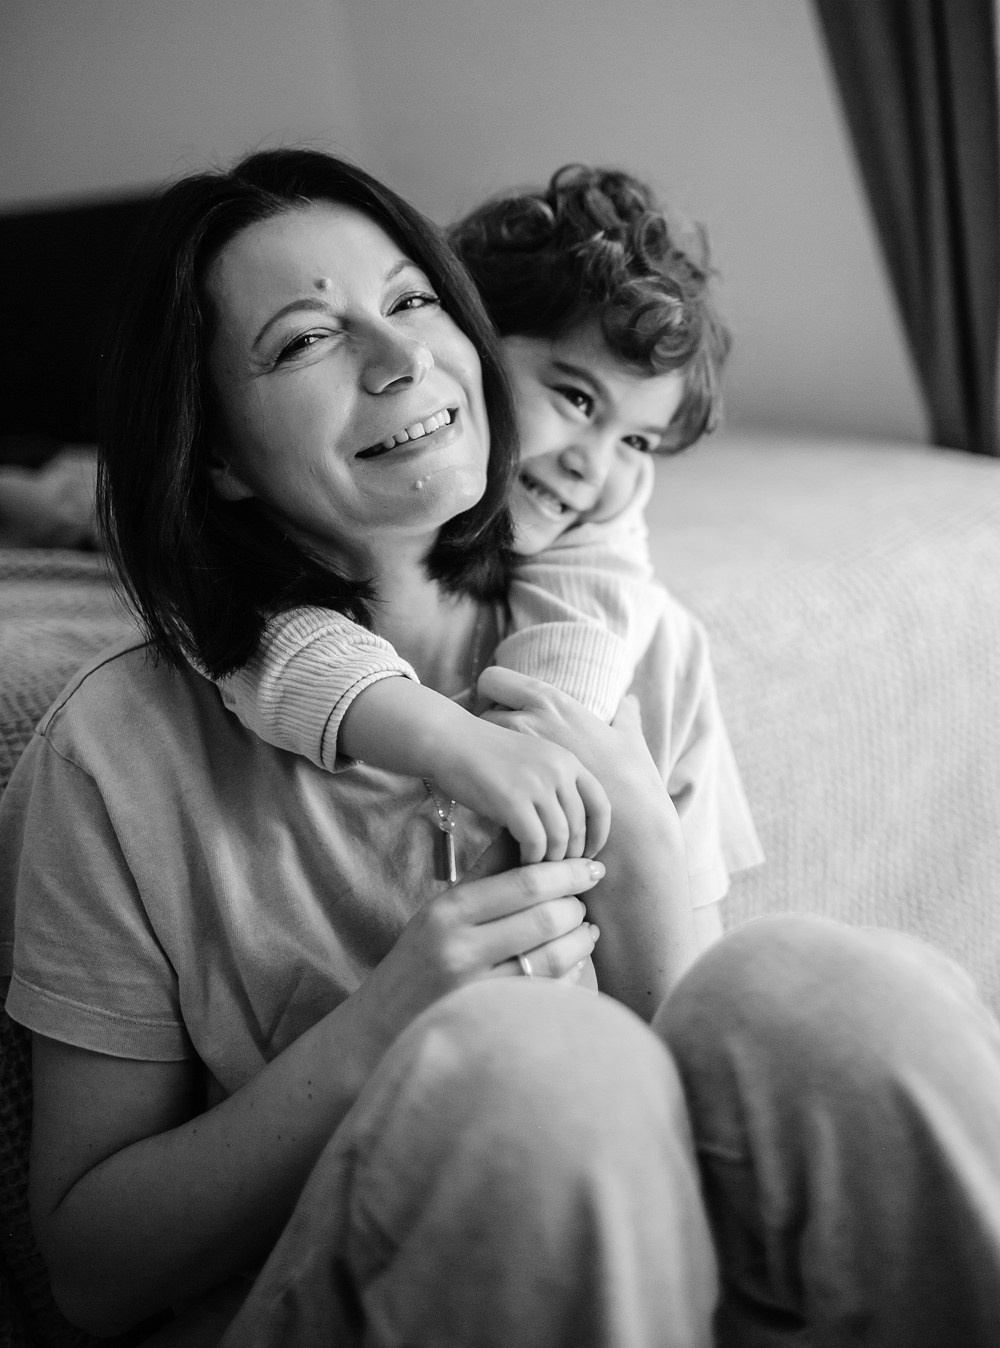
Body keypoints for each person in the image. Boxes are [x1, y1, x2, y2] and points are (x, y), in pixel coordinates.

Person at [3, 149, 1000, 1348]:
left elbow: (701, 1072)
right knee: (534, 1067)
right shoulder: (113, 752)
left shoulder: (642, 645)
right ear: (213, 449)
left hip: (654, 1264)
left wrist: (640, 870)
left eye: (413, 300)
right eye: (305, 339)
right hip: (333, 1293)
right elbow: (92, 1273)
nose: (399, 358)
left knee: (828, 995)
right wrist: (384, 1029)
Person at [211, 166, 758, 882]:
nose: (591, 468)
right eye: (577, 400)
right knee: (81, 505)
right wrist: (454, 743)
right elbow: (261, 640)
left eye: (638, 442)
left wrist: (548, 775)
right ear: (470, 335)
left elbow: (585, 634)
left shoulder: (617, 567)